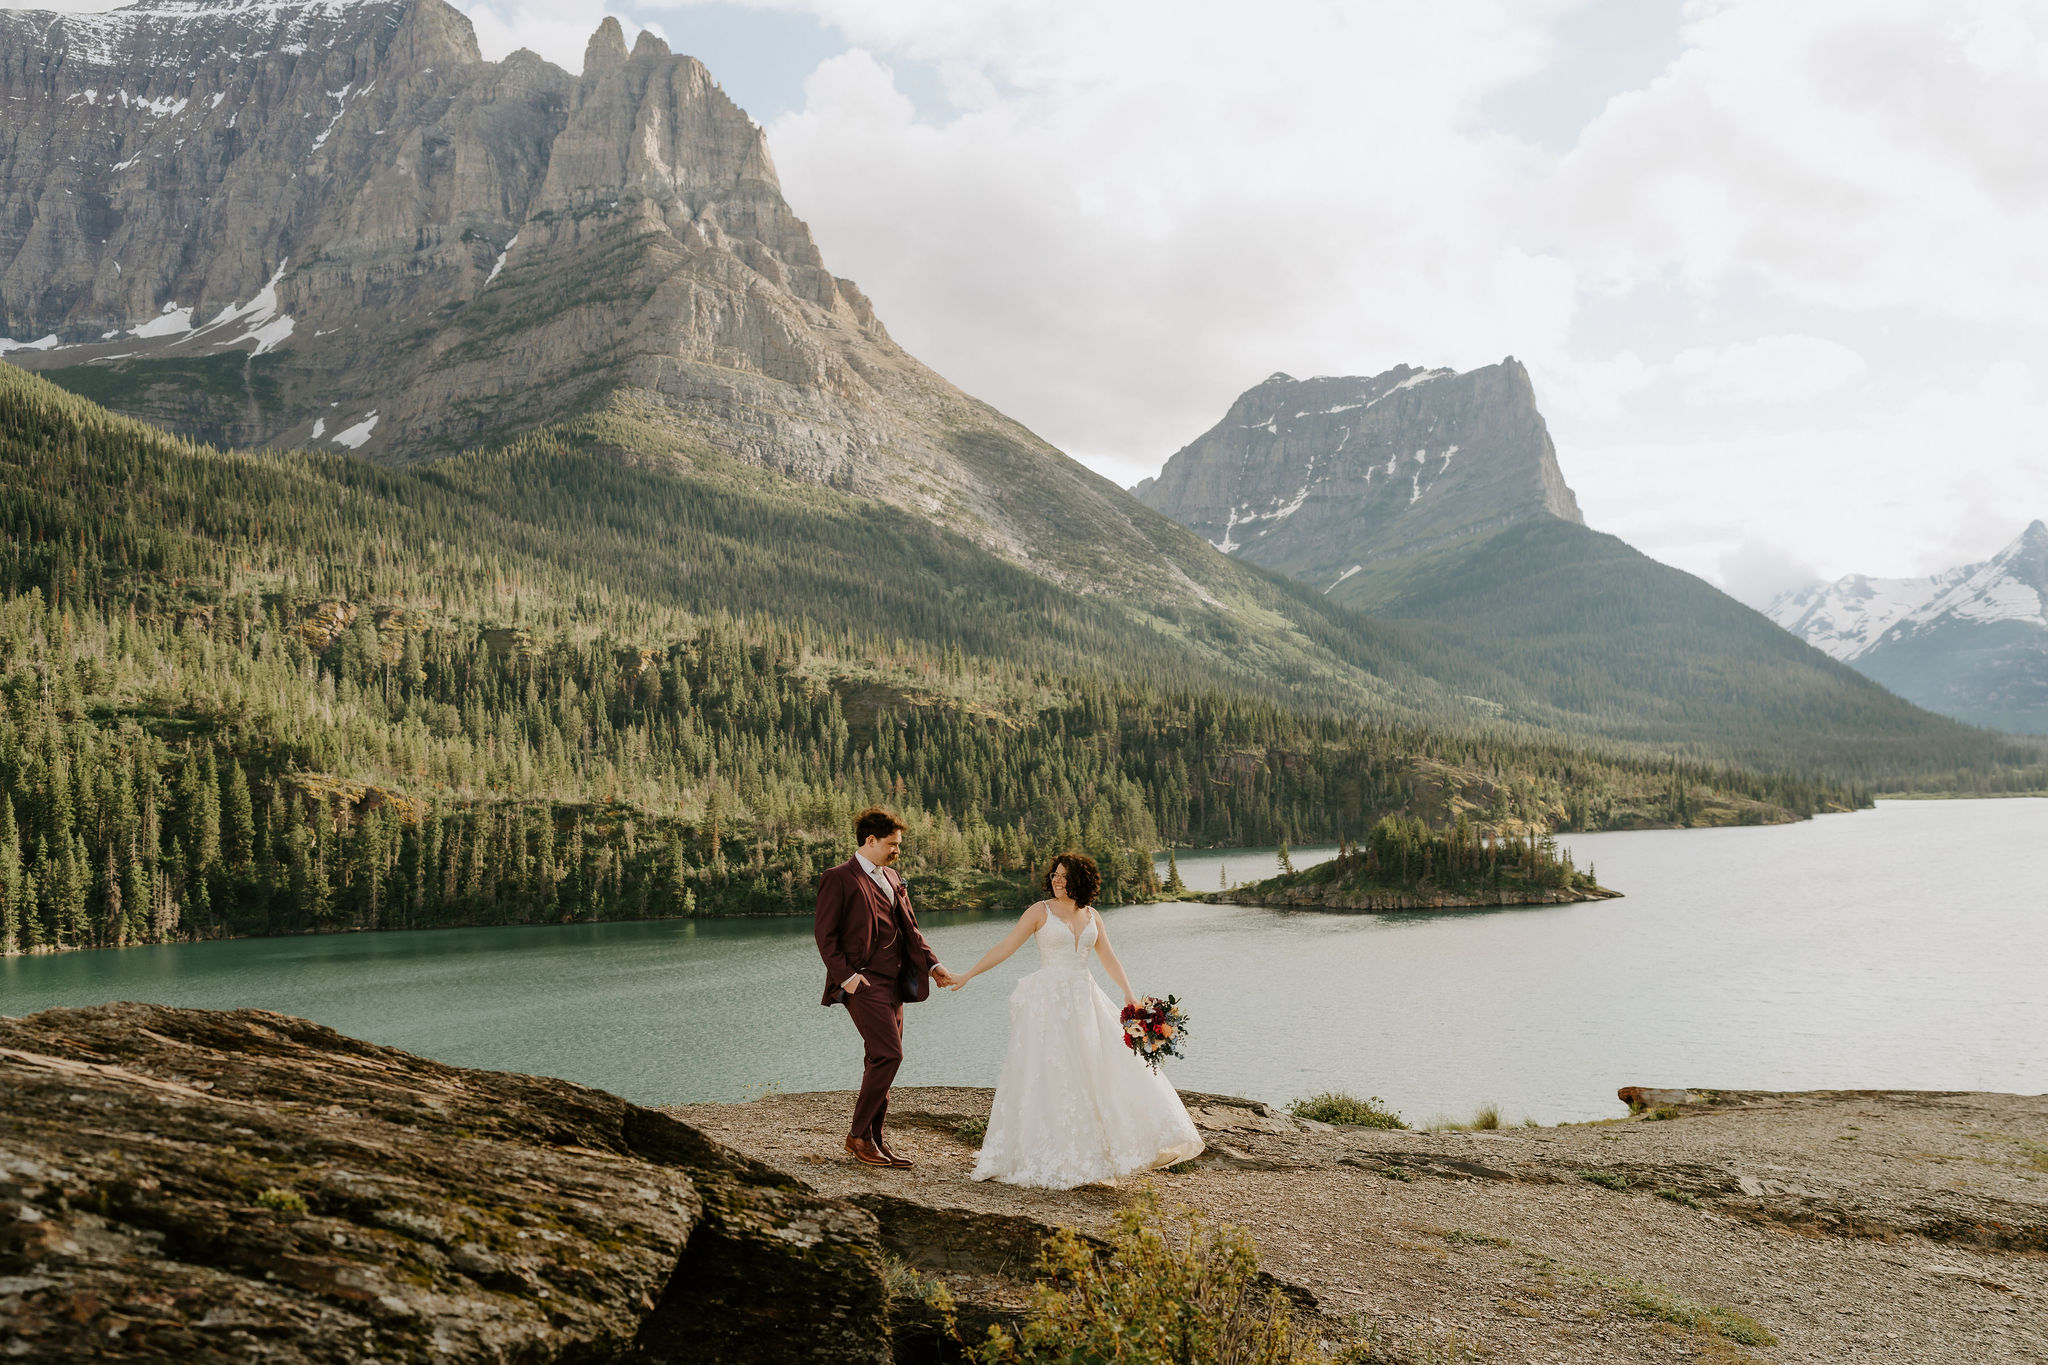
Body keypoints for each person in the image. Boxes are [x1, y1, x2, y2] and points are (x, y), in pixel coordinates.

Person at [949, 852, 1203, 1188]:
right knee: (1050, 1072)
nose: (1056, 881)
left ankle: (1096, 1151)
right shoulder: (1039, 912)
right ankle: (1047, 1151)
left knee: (1094, 1069)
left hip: (1085, 997)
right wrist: (967, 975)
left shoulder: (1093, 916)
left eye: (1064, 876)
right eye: (1054, 875)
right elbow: (1006, 946)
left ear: (1080, 880)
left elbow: (1108, 957)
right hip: (1048, 1003)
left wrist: (1129, 995)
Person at [815, 806, 956, 1169]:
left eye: (898, 844)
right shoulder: (839, 877)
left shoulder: (893, 878)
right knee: (889, 1055)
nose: (897, 850)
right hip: (862, 981)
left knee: (879, 1060)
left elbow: (911, 929)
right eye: (892, 844)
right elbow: (825, 936)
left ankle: (876, 1139)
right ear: (870, 840)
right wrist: (847, 978)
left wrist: (934, 964)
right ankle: (858, 1136)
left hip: (895, 982)